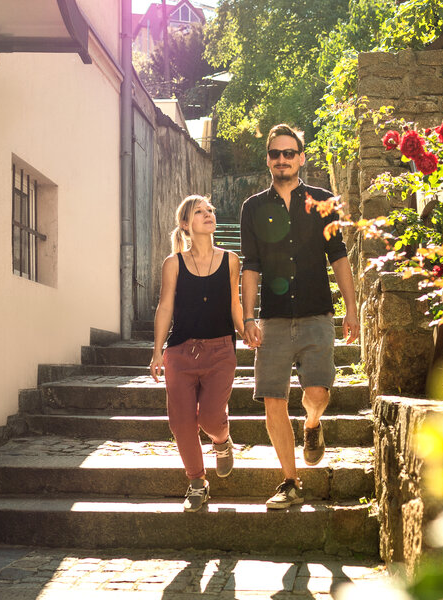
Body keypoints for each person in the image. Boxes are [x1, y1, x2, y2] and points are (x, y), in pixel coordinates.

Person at [240, 124, 360, 510]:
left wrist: (352, 308)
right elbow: (251, 265)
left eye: (289, 153)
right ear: (269, 160)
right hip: (272, 320)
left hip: (316, 314)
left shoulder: (323, 201)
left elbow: (339, 257)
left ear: (301, 158)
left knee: (317, 393)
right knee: (273, 399)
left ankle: (311, 425)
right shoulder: (253, 208)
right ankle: (290, 482)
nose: (282, 159)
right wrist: (247, 316)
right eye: (275, 154)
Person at [149, 194, 245, 512]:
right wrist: (157, 351)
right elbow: (165, 307)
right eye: (199, 211)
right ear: (185, 224)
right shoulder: (172, 263)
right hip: (180, 352)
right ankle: (196, 482)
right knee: (181, 422)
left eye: (210, 210)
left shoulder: (231, 260)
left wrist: (245, 329)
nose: (208, 214)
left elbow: (234, 302)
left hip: (220, 350)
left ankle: (221, 439)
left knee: (210, 417)